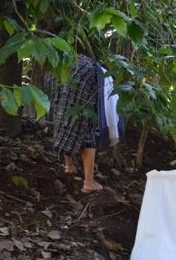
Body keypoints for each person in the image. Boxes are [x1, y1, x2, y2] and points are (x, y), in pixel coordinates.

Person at [45, 54, 123, 194]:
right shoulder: (99, 74)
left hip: (55, 77)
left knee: (63, 119)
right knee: (87, 129)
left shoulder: (62, 63)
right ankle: (88, 182)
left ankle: (69, 166)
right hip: (84, 84)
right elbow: (111, 106)